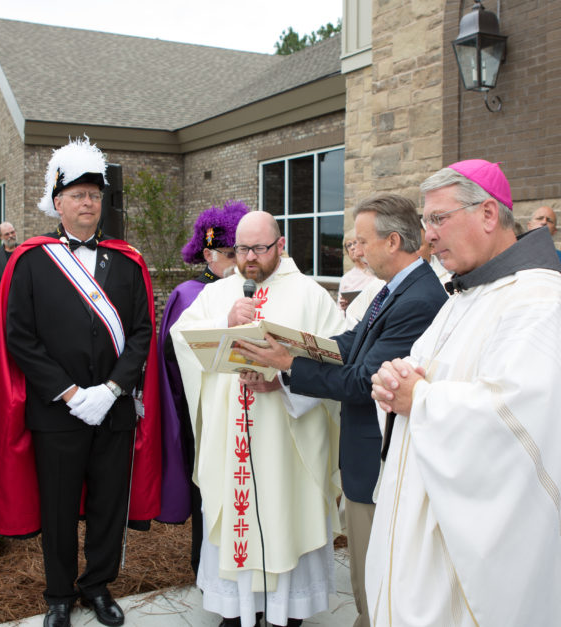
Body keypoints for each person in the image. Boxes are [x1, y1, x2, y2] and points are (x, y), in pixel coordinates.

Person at [368, 159, 561, 627]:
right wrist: (393, 383)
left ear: (488, 214)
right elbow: (423, 374)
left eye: (438, 219)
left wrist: (419, 400)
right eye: (426, 222)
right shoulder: (467, 294)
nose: (429, 236)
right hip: (429, 527)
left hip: (477, 553)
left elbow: (518, 418)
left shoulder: (541, 300)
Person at [235, 194, 447, 627]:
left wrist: (289, 365)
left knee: (377, 573)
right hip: (366, 454)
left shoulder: (417, 298)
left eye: (362, 241)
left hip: (377, 457)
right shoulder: (396, 288)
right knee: (367, 570)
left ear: (392, 241)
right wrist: (291, 346)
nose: (357, 250)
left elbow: (361, 380)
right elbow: (350, 345)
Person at [0, 137, 160, 627]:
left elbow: (143, 331)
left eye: (95, 195)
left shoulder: (128, 261)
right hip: (57, 410)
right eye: (78, 195)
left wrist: (110, 390)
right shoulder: (31, 260)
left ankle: (98, 586)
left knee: (107, 506)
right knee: (59, 510)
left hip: (114, 407)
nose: (88, 204)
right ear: (57, 202)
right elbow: (18, 336)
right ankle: (59, 594)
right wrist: (69, 392)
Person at [171, 210, 345, 627]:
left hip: (288, 438)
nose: (249, 259)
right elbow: (182, 339)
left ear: (280, 246)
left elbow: (335, 362)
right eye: (242, 249)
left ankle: (288, 611)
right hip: (232, 438)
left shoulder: (310, 295)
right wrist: (223, 323)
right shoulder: (218, 295)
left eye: (259, 249)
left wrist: (286, 382)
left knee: (286, 511)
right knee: (236, 515)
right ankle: (236, 610)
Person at [156, 200, 249, 576]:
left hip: (244, 405)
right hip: (200, 406)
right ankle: (204, 565)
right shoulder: (189, 293)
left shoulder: (247, 286)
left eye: (242, 251)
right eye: (231, 252)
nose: (238, 259)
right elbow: (173, 351)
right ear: (208, 253)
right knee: (207, 488)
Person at [338, 231, 376, 311]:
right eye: (349, 245)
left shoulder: (378, 271)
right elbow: (339, 310)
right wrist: (344, 307)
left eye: (355, 243)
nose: (352, 247)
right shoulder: (346, 278)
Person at [527, 205, 561, 271]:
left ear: (554, 231)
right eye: (540, 218)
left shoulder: (560, 259)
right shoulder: (516, 254)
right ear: (529, 225)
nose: (544, 222)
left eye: (549, 220)